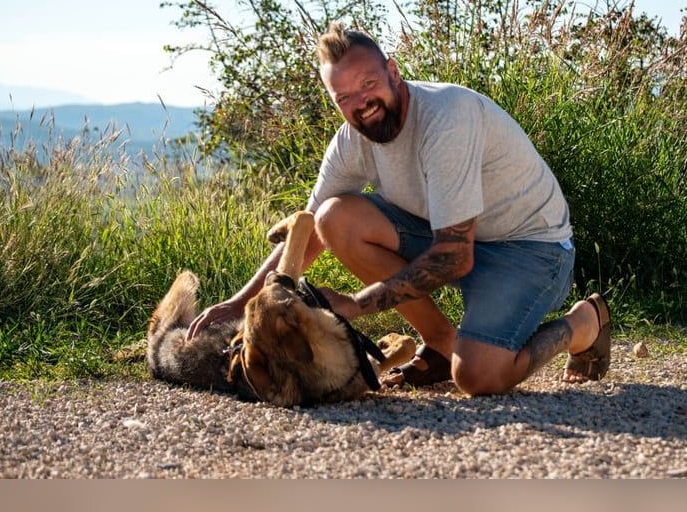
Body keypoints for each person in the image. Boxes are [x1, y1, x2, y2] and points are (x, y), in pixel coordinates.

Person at [187, 21, 611, 395]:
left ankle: (584, 324)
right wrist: (241, 303)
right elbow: (308, 230)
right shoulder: (352, 140)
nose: (361, 103)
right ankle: (442, 344)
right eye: (344, 97)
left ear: (393, 72)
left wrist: (355, 304)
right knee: (334, 217)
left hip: (531, 250)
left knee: (480, 377)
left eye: (368, 83)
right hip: (449, 236)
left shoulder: (446, 119)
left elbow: (454, 256)